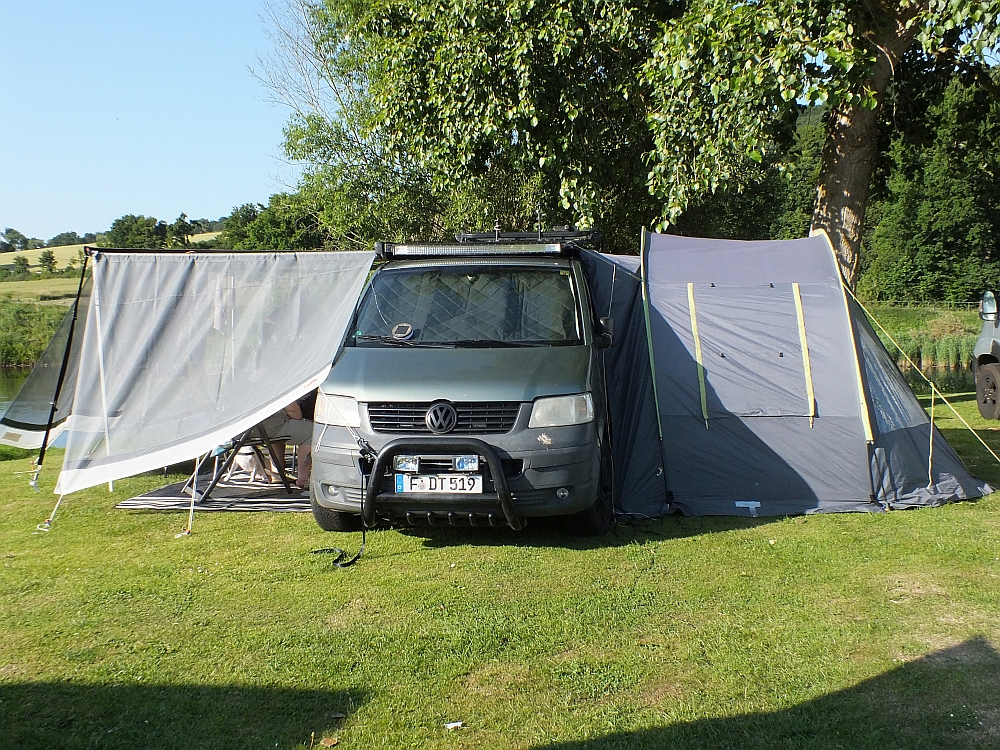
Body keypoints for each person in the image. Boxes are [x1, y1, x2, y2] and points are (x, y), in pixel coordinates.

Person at [260, 391, 316, 489]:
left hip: (245, 430)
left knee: (279, 428)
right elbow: (293, 410)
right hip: (268, 427)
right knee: (313, 432)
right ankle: (303, 480)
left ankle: (277, 473)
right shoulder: (274, 384)